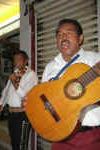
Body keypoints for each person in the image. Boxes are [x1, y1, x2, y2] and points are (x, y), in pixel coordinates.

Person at [23, 18, 100, 150]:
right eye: (59, 35)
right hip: (59, 137)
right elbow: (44, 97)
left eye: (68, 33)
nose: (63, 37)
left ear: (80, 38)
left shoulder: (95, 59)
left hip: (90, 138)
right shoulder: (50, 66)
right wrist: (32, 102)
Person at [0, 50, 38, 150]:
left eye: (18, 60)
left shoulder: (31, 75)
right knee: (14, 142)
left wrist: (14, 82)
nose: (15, 63)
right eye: (14, 60)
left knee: (21, 144)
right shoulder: (15, 73)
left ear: (25, 61)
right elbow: (6, 91)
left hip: (23, 115)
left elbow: (25, 96)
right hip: (11, 114)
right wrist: (0, 104)